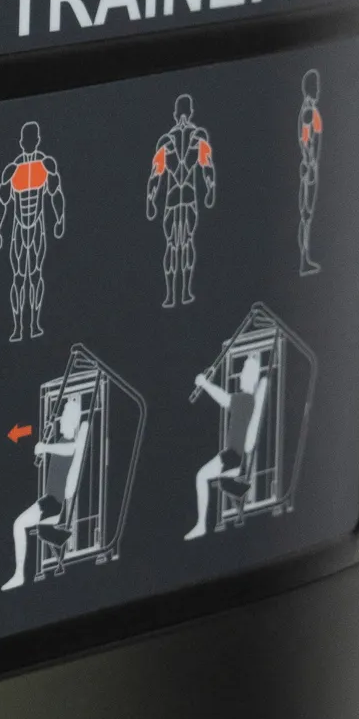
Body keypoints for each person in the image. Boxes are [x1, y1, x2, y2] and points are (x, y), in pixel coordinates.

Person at [0, 121, 66, 342]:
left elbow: (55, 193)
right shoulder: (12, 170)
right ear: (22, 142)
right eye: (26, 139)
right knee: (18, 277)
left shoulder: (46, 165)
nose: (28, 143)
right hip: (18, 228)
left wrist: (60, 218)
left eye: (32, 139)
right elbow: (2, 202)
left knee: (35, 275)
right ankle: (17, 327)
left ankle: (34, 324)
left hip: (37, 227)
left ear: (36, 141)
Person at [7, 393, 89, 590]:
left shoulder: (71, 443)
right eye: (62, 416)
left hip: (55, 503)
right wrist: (43, 446)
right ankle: (19, 574)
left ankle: (63, 537)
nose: (60, 420)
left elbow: (69, 450)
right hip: (47, 500)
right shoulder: (60, 440)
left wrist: (45, 447)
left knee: (38, 530)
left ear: (72, 421)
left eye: (64, 417)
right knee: (19, 524)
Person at [145, 94, 217, 307]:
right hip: (186, 198)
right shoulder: (197, 138)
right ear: (190, 111)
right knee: (184, 243)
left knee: (175, 245)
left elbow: (156, 174)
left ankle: (175, 294)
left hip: (175, 198)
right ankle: (181, 293)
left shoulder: (168, 141)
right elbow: (207, 167)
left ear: (176, 113)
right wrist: (210, 189)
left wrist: (151, 199)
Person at [186, 349, 266, 538]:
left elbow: (224, 399)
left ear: (251, 378)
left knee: (204, 477)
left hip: (233, 457)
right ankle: (239, 491)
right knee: (211, 479)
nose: (241, 375)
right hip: (232, 455)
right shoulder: (247, 401)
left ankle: (202, 524)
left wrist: (205, 383)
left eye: (245, 371)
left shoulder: (245, 400)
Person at [296, 69, 324, 275]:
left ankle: (304, 258)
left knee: (307, 216)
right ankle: (303, 259)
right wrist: (310, 161)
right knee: (306, 216)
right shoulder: (308, 113)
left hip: (310, 166)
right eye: (316, 86)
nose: (319, 90)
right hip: (309, 168)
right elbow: (305, 140)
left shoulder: (310, 110)